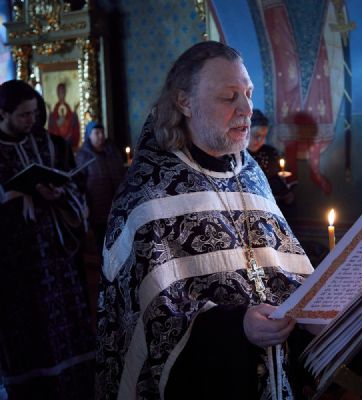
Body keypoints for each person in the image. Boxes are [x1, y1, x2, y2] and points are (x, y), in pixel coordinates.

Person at [95, 41, 316, 400]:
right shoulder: (148, 192)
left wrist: (313, 309)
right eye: (229, 97)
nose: (247, 109)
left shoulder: (251, 175)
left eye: (248, 94)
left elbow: (283, 268)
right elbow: (152, 320)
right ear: (184, 102)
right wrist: (237, 327)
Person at [0, 80, 94, 399]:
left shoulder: (51, 145)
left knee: (66, 321)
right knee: (26, 330)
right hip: (14, 260)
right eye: (24, 115)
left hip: (56, 254)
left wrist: (60, 192)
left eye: (34, 113)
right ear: (3, 114)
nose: (32, 120)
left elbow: (76, 184)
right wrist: (14, 194)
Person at [76, 121, 125, 253]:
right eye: (96, 133)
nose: (101, 135)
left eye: (102, 132)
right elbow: (79, 182)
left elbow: (121, 173)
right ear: (89, 135)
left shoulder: (112, 151)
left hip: (117, 206)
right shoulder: (83, 156)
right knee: (102, 244)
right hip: (97, 208)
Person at [248, 108, 294, 206]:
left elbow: (279, 177)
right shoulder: (236, 156)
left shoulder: (271, 153)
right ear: (245, 132)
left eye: (264, 136)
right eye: (256, 135)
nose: (261, 140)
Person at [47, 82, 81, 148]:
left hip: (69, 140)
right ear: (57, 93)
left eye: (63, 92)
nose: (61, 94)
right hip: (58, 140)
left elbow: (72, 121)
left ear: (65, 93)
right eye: (60, 92)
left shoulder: (68, 107)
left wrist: (73, 115)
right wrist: (54, 119)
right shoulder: (56, 108)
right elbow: (52, 126)